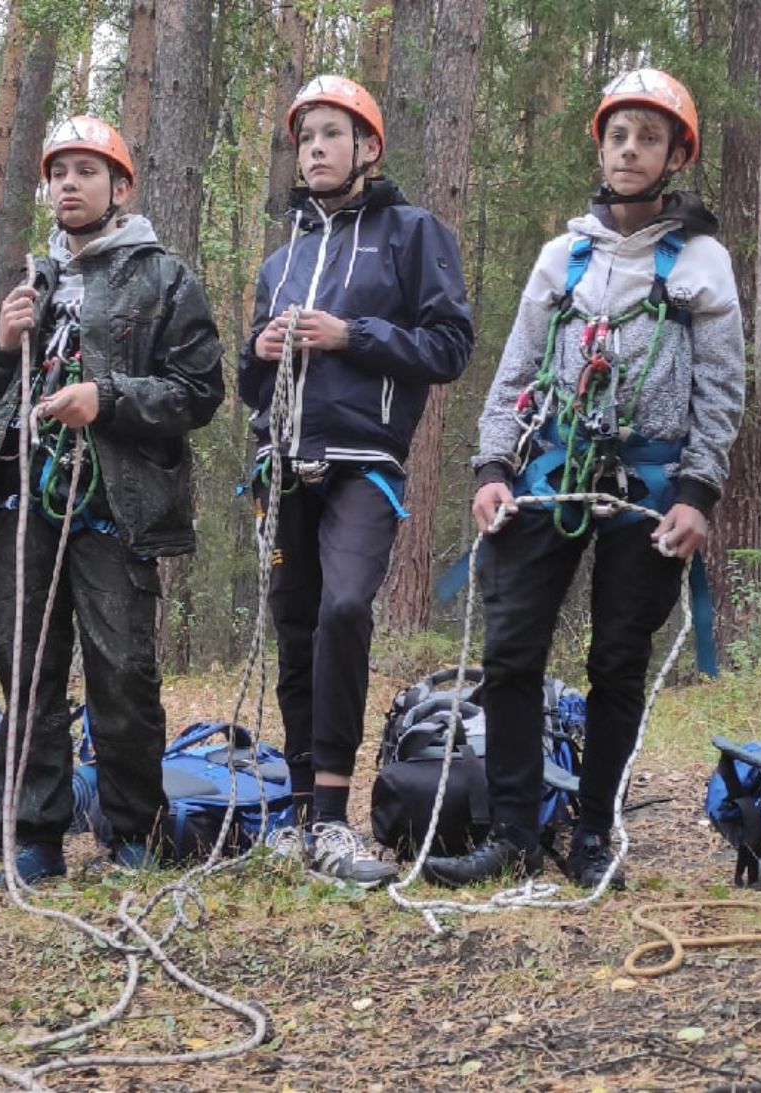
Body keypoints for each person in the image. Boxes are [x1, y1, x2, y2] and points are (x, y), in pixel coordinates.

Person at [421, 69, 745, 889]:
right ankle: (513, 832)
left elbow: (722, 388)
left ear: (676, 155)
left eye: (648, 137)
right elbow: (514, 372)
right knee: (512, 650)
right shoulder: (561, 257)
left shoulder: (702, 262)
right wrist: (493, 468)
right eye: (618, 135)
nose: (630, 149)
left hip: (649, 482)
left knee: (618, 658)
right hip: (548, 469)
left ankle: (594, 828)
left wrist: (697, 492)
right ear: (601, 147)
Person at [0, 116, 225, 886]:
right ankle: (36, 839)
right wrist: (5, 348)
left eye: (87, 171)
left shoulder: (163, 277)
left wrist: (105, 398)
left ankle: (134, 833)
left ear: (120, 187)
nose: (69, 184)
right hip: (27, 499)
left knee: (123, 671)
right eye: (59, 173)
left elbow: (199, 391)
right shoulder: (30, 277)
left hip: (115, 503)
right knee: (29, 670)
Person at [237, 75, 474, 885]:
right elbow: (247, 385)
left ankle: (334, 820)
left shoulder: (412, 234)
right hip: (285, 462)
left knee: (343, 609)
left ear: (368, 147)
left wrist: (351, 334)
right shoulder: (283, 257)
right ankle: (303, 813)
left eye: (331, 134)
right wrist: (259, 352)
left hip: (366, 461)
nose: (315, 149)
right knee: (295, 627)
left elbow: (449, 345)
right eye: (306, 138)